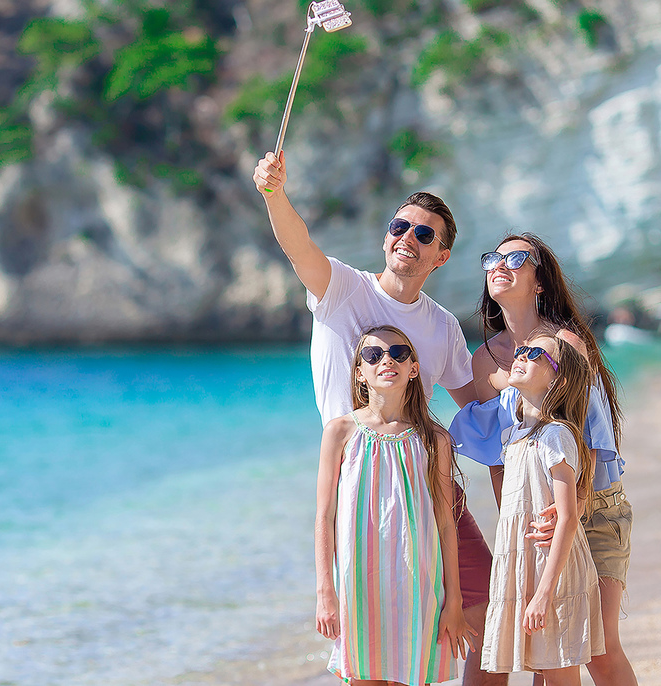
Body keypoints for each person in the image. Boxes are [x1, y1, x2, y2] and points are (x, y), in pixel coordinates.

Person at [254, 151, 504, 685]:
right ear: (386, 236)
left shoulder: (441, 328)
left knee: (488, 606)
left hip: (426, 476)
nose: (407, 238)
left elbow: (480, 417)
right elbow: (296, 242)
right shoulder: (341, 289)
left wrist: (526, 496)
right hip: (360, 481)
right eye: (400, 227)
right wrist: (275, 193)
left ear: (440, 257)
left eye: (423, 235)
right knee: (370, 640)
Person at [453, 234, 638, 685]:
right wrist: (515, 526)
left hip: (591, 509)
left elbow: (591, 436)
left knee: (599, 648)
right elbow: (501, 460)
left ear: (539, 281)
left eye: (517, 258)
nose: (501, 264)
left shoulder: (564, 343)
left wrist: (567, 506)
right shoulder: (485, 364)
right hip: (533, 526)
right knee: (547, 651)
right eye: (494, 258)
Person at [314, 326, 473, 684]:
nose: (386, 360)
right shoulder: (339, 432)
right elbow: (323, 517)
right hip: (358, 584)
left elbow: (446, 523)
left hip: (417, 584)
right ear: (360, 372)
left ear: (414, 368)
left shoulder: (434, 439)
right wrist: (326, 591)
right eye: (373, 355)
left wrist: (454, 600)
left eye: (398, 353)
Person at [480, 332, 605, 684]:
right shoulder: (516, 435)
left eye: (534, 354)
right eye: (520, 350)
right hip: (527, 566)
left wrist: (544, 592)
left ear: (559, 379)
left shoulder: (555, 435)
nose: (520, 356)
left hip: (552, 571)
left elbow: (566, 517)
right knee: (545, 668)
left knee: (560, 672)